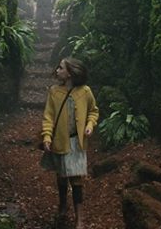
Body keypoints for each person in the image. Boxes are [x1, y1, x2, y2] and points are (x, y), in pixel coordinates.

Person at [41, 57, 99, 229]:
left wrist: (89, 125)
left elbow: (93, 111)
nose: (57, 70)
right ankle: (62, 206)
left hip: (77, 143)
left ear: (70, 73)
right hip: (60, 141)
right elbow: (48, 116)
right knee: (61, 176)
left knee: (76, 180)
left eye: (61, 68)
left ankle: (80, 218)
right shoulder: (54, 92)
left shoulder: (85, 92)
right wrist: (47, 136)